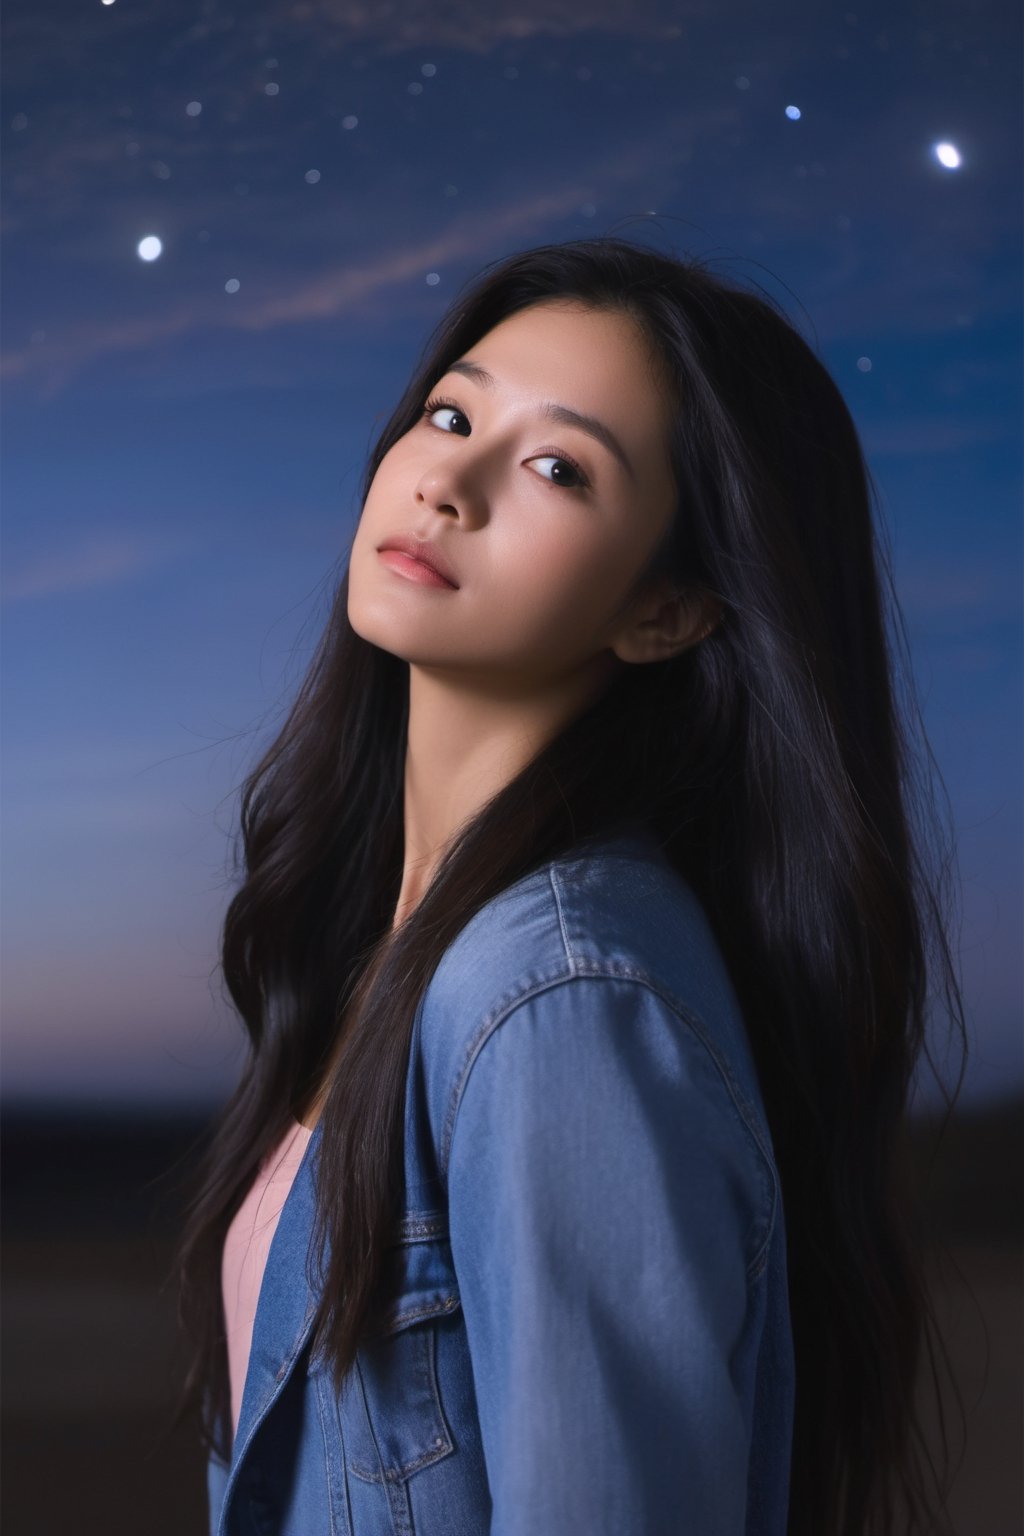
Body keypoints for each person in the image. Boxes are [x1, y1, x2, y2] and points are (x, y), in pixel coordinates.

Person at [174, 235, 966, 1535]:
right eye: (451, 411)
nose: (449, 482)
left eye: (557, 466)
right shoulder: (408, 947)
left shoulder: (556, 990)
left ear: (669, 610)